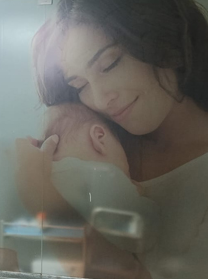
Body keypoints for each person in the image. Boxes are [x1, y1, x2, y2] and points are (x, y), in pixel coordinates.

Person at [19, 0, 208, 279]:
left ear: (162, 40)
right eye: (80, 85)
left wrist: (40, 198)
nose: (100, 99)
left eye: (109, 64)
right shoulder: (101, 148)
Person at [43, 102, 160, 254]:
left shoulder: (49, 180)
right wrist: (142, 200)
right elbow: (141, 234)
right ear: (100, 138)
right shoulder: (103, 175)